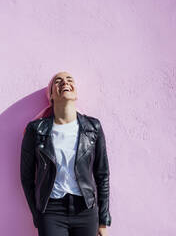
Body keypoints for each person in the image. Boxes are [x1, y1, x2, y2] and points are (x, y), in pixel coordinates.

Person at [20, 71, 111, 236]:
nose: (65, 82)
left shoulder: (93, 127)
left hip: (86, 209)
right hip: (52, 211)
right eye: (58, 81)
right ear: (51, 95)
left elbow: (102, 174)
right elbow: (26, 178)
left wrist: (103, 220)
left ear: (75, 93)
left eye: (70, 79)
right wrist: (37, 215)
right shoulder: (36, 129)